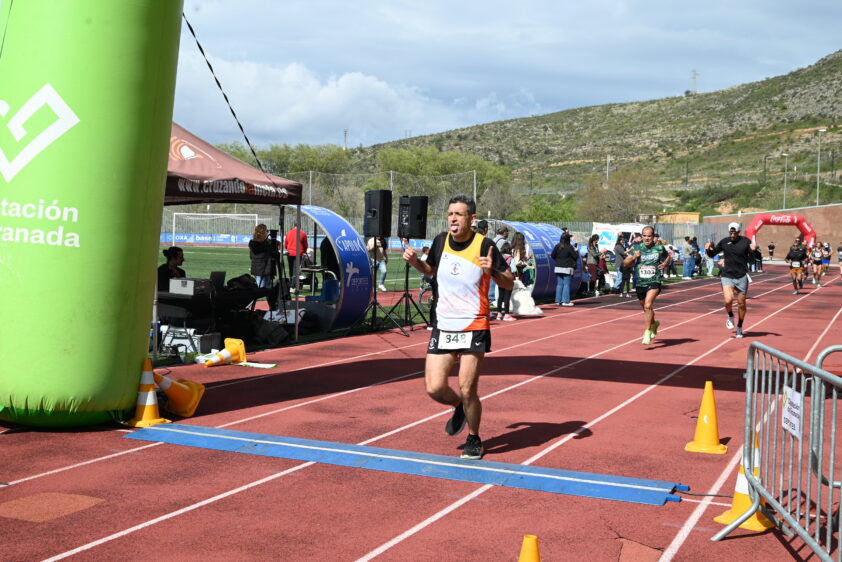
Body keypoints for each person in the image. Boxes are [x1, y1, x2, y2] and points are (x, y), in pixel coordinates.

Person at [403, 194, 513, 460]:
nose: (453, 219)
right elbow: (431, 269)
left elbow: (509, 282)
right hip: (444, 325)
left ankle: (474, 438)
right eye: (450, 214)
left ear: (471, 219)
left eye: (459, 214)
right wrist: (416, 262)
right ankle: (459, 407)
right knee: (434, 388)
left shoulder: (484, 245)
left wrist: (493, 271)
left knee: (467, 388)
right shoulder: (441, 240)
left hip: (474, 324)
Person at [704, 222, 757, 338]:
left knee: (741, 304)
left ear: (739, 232)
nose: (732, 235)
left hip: (741, 275)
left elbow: (752, 258)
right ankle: (730, 315)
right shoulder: (724, 241)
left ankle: (739, 326)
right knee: (728, 300)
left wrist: (753, 250)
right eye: (731, 232)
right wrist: (708, 249)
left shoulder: (745, 241)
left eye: (735, 233)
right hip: (727, 275)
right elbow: (712, 254)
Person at [623, 226, 670, 345]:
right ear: (642, 236)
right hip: (640, 282)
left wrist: (664, 264)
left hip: (654, 281)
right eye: (644, 236)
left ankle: (647, 332)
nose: (647, 238)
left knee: (648, 305)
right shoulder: (637, 248)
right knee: (645, 308)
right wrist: (634, 257)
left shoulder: (659, 248)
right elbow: (625, 264)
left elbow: (668, 256)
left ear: (653, 237)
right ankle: (654, 323)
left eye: (649, 236)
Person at [249, 224, 279, 288]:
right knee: (263, 288)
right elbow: (273, 252)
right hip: (265, 269)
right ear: (263, 232)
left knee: (262, 288)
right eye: (267, 231)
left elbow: (251, 256)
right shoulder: (266, 244)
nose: (268, 233)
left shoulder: (252, 243)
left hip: (259, 269)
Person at [551, 233, 578, 306]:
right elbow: (575, 257)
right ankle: (565, 301)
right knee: (566, 284)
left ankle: (558, 300)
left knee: (559, 284)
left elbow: (552, 255)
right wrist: (576, 251)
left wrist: (558, 260)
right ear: (568, 239)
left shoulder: (557, 246)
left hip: (558, 267)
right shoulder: (569, 247)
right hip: (567, 267)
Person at [492, 242, 515, 322]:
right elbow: (514, 269)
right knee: (507, 297)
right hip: (508, 278)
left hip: (500, 277)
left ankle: (499, 314)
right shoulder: (511, 258)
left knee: (500, 296)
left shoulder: (500, 257)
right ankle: (506, 314)